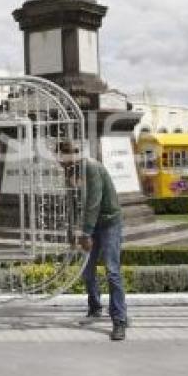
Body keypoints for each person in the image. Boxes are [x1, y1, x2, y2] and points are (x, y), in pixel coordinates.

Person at [60, 141, 127, 341]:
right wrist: (73, 231)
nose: (60, 162)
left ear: (74, 155)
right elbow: (72, 203)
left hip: (108, 223)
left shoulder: (91, 168)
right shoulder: (71, 172)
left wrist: (86, 233)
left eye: (63, 158)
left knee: (112, 271)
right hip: (91, 224)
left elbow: (94, 202)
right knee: (87, 271)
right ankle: (95, 307)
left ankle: (119, 320)